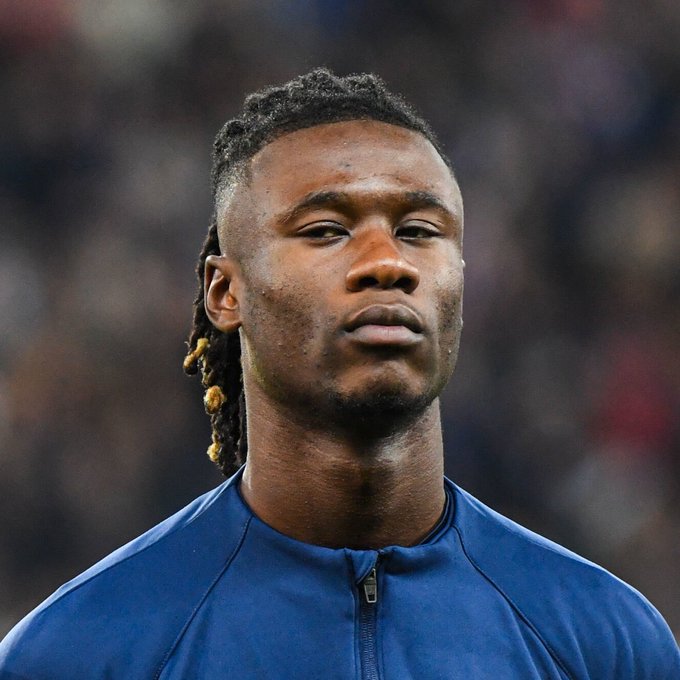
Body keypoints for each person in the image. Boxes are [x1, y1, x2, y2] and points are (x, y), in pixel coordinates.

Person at [0, 68, 677, 679]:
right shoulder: (80, 653)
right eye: (325, 229)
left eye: (419, 230)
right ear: (225, 293)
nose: (387, 263)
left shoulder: (606, 642)